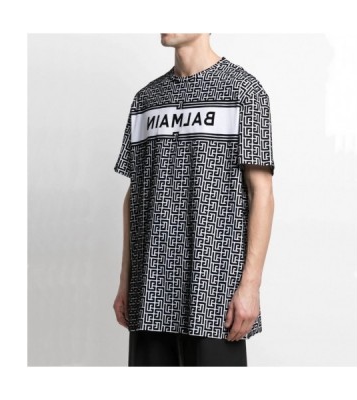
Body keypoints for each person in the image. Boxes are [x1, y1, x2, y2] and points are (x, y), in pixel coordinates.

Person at [113, 33, 275, 367]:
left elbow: (261, 192)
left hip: (213, 289)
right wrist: (125, 281)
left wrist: (250, 286)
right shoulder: (146, 100)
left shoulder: (243, 91)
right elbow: (134, 193)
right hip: (150, 288)